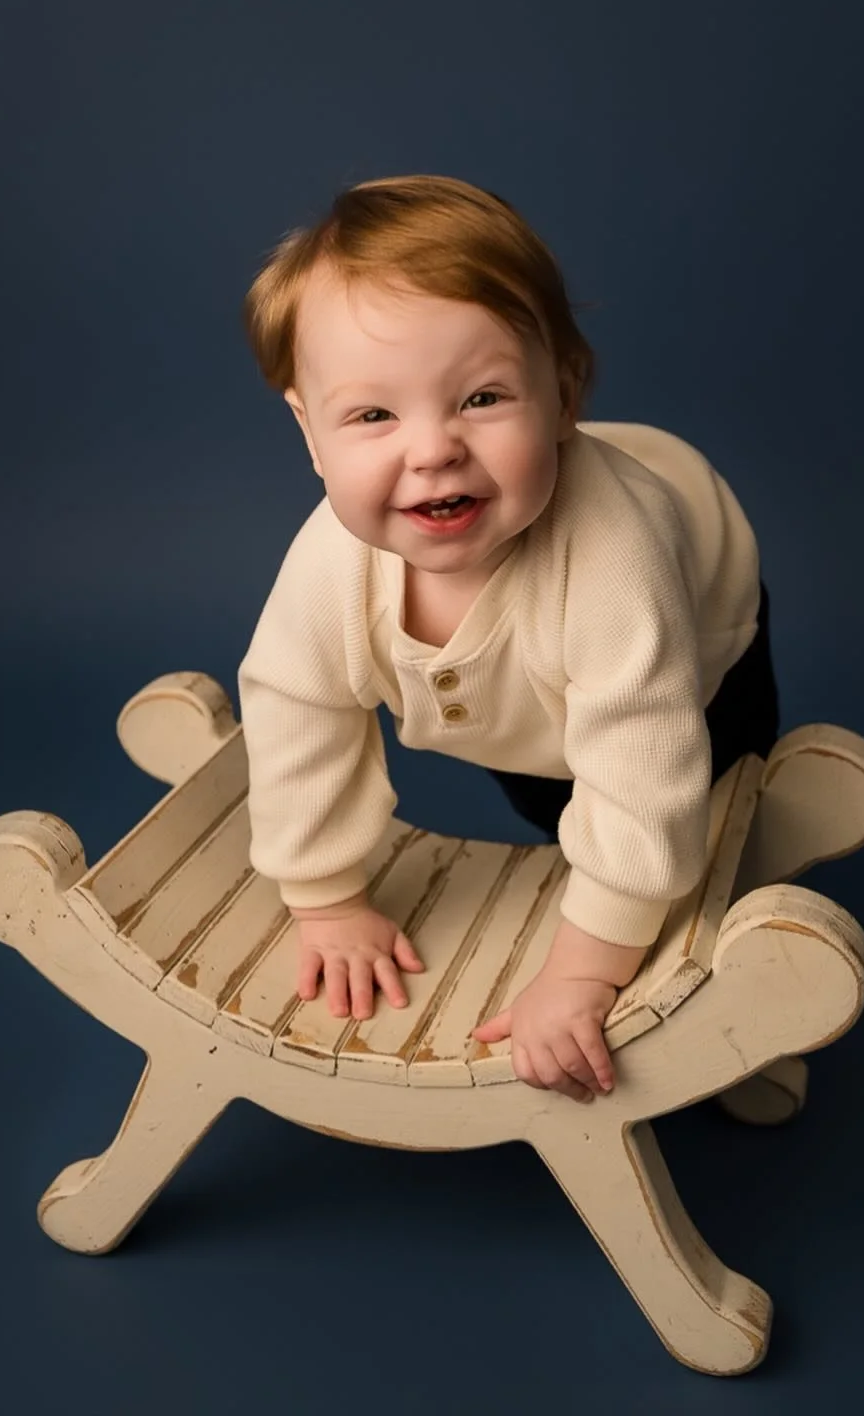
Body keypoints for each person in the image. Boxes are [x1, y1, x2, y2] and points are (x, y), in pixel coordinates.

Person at [237, 174, 780, 1105]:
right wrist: (324, 898)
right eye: (373, 415)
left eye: (483, 398)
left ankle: (730, 990)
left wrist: (581, 977)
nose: (433, 449)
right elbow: (298, 711)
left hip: (693, 639)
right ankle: (589, 849)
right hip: (514, 691)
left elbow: (646, 782)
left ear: (564, 395)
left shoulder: (616, 555)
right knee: (552, 801)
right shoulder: (331, 566)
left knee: (711, 805)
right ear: (310, 433)